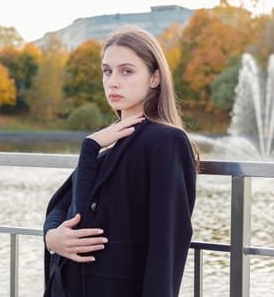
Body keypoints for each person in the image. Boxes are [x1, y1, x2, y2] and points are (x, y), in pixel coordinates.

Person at [43, 25, 199, 297]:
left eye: (126, 71)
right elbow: (62, 207)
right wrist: (52, 238)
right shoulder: (106, 141)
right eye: (107, 71)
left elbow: (167, 244)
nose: (112, 81)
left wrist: (89, 147)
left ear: (154, 78)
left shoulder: (166, 141)